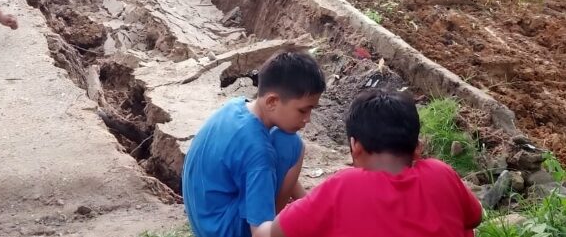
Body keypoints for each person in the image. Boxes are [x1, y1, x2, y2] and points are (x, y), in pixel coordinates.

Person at [256, 89, 483, 237]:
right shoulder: (440, 173)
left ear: (355, 146)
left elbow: (272, 234)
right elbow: (475, 217)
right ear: (417, 148)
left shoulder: (344, 185)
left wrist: (256, 220)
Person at [182, 51, 325, 237]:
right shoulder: (259, 152)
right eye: (303, 111)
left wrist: (312, 208)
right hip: (225, 230)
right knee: (292, 144)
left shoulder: (236, 106)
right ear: (272, 101)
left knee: (284, 140)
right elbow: (259, 233)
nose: (307, 119)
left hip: (204, 219)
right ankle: (273, 219)